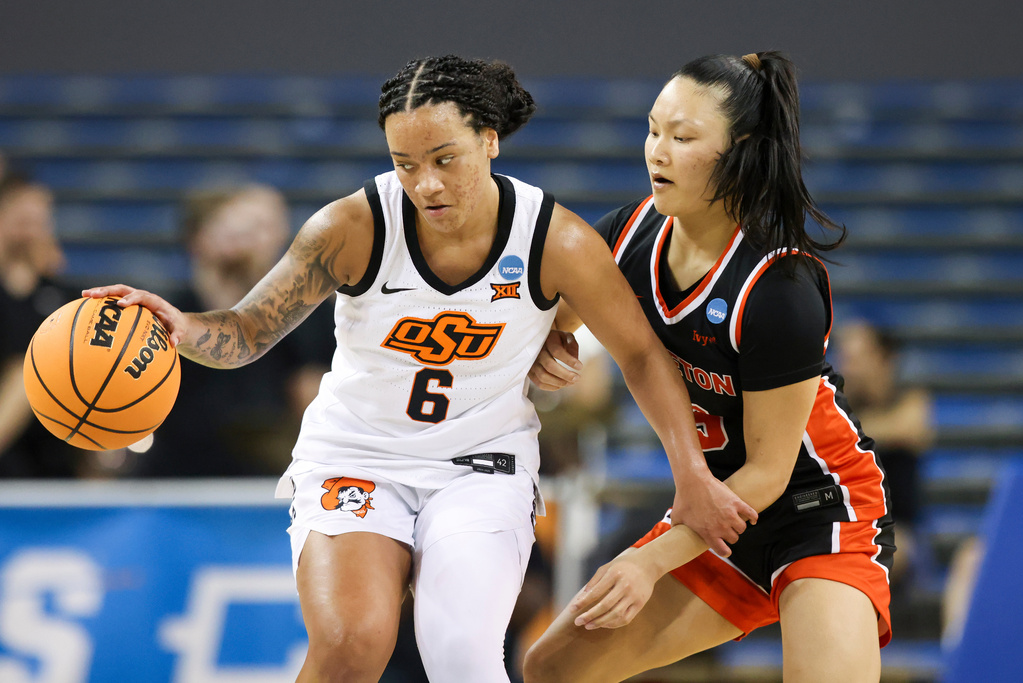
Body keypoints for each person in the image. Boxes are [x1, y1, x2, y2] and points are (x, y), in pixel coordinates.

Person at [84, 55, 755, 683]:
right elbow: (249, 330)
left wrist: (690, 473)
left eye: (444, 158)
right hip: (356, 455)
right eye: (405, 163)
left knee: (462, 652)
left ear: (490, 140)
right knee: (351, 645)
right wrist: (181, 328)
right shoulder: (350, 227)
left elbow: (640, 353)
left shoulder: (555, 240)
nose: (425, 183)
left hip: (479, 463)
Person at [524, 52, 894, 683]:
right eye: (653, 129)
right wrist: (541, 342)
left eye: (683, 136)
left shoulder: (779, 285)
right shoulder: (628, 233)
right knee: (553, 668)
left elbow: (770, 473)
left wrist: (648, 562)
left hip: (814, 506)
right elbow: (547, 317)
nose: (656, 151)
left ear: (741, 152)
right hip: (714, 509)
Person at [136, 184, 336, 477]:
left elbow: (314, 397)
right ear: (198, 237)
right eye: (238, 231)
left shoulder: (303, 313)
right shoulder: (167, 314)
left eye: (263, 230)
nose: (251, 242)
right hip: (174, 477)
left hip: (266, 476)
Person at [833, 319, 932, 617]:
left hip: (901, 529)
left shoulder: (911, 398)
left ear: (884, 358)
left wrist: (849, 433)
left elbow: (911, 428)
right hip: (848, 522)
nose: (844, 366)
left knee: (885, 548)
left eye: (855, 358)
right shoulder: (838, 402)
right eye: (842, 357)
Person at [0, 174, 83, 477]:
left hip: (53, 469)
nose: (29, 229)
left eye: (38, 219)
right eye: (21, 218)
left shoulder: (66, 299)